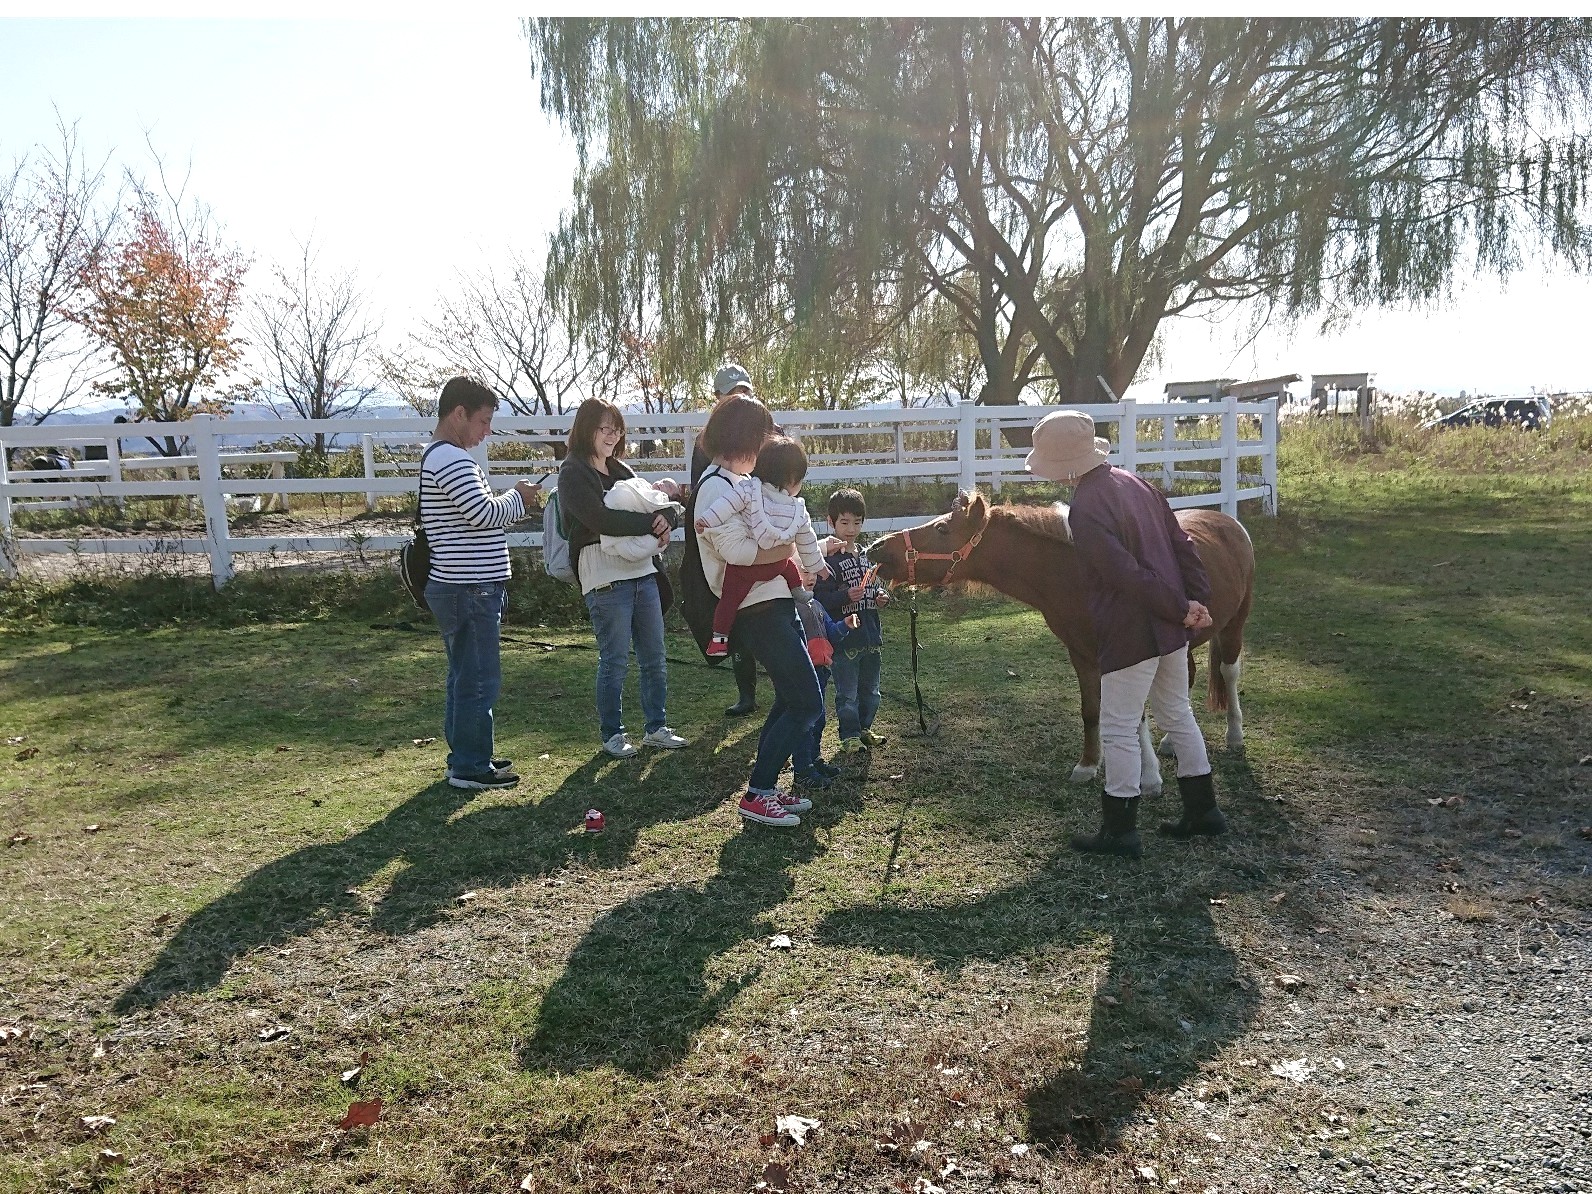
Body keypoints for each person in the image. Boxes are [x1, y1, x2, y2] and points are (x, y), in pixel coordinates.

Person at [1023, 409, 1226, 859]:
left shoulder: (1087, 507)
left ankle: (1120, 830)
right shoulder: (1136, 484)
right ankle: (1203, 810)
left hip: (1130, 627)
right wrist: (1195, 601)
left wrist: (1181, 606)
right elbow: (1181, 543)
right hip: (1171, 626)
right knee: (1177, 713)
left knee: (1117, 727)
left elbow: (1124, 575)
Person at [693, 394, 825, 827]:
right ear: (745, 437)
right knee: (807, 701)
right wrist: (788, 551)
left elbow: (780, 540)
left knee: (791, 696)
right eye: (764, 434)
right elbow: (738, 553)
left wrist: (808, 555)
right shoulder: (718, 486)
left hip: (774, 603)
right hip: (755, 608)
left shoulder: (745, 484)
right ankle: (759, 791)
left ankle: (763, 787)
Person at [421, 376, 543, 790]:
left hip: (461, 585)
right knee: (478, 679)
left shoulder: (437, 456)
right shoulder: (452, 460)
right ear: (459, 414)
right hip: (469, 587)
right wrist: (519, 497)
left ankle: (469, 754)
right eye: (483, 421)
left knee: (464, 676)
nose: (486, 431)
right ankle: (470, 765)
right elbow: (483, 514)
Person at [558, 397, 688, 759]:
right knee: (614, 658)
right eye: (605, 428)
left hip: (642, 569)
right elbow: (598, 520)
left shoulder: (621, 470)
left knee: (653, 654)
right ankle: (612, 734)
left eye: (617, 429)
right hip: (603, 573)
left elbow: (657, 504)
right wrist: (650, 522)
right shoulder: (573, 472)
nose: (612, 436)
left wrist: (668, 518)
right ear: (587, 429)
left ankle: (656, 727)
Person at [693, 436, 827, 657]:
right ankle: (798, 591)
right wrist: (817, 566)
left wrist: (707, 520)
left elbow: (725, 506)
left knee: (729, 600)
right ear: (793, 478)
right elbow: (807, 541)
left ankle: (719, 638)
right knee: (790, 568)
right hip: (777, 565)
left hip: (747, 569)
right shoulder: (797, 509)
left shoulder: (748, 490)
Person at [687, 362, 761, 715]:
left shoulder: (765, 430)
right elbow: (701, 491)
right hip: (729, 534)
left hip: (760, 527)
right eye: (732, 394)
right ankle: (746, 692)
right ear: (718, 398)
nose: (739, 398)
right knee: (735, 612)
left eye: (743, 392)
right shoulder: (708, 444)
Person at [815, 488, 892, 754]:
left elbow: (877, 588)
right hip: (844, 638)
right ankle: (848, 735)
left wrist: (882, 597)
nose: (851, 528)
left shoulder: (866, 556)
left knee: (871, 691)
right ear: (831, 522)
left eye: (857, 522)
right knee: (847, 693)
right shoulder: (825, 560)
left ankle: (864, 728)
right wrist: (845, 595)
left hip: (871, 634)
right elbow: (820, 599)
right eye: (845, 522)